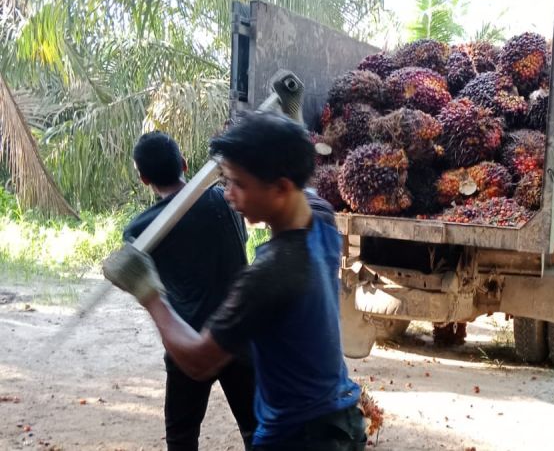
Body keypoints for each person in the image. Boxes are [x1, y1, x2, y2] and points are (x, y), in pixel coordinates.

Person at [106, 114, 366, 450]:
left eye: (238, 183)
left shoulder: (268, 275)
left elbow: (199, 361)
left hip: (298, 439)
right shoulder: (323, 220)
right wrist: (292, 114)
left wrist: (148, 293)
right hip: (343, 422)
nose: (228, 195)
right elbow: (307, 189)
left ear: (281, 187)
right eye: (225, 181)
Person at [125, 131, 257, 450]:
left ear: (143, 178)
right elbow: (242, 241)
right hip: (239, 335)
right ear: (184, 163)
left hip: (188, 344)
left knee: (182, 438)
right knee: (258, 430)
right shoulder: (224, 201)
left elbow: (143, 278)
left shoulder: (140, 232)